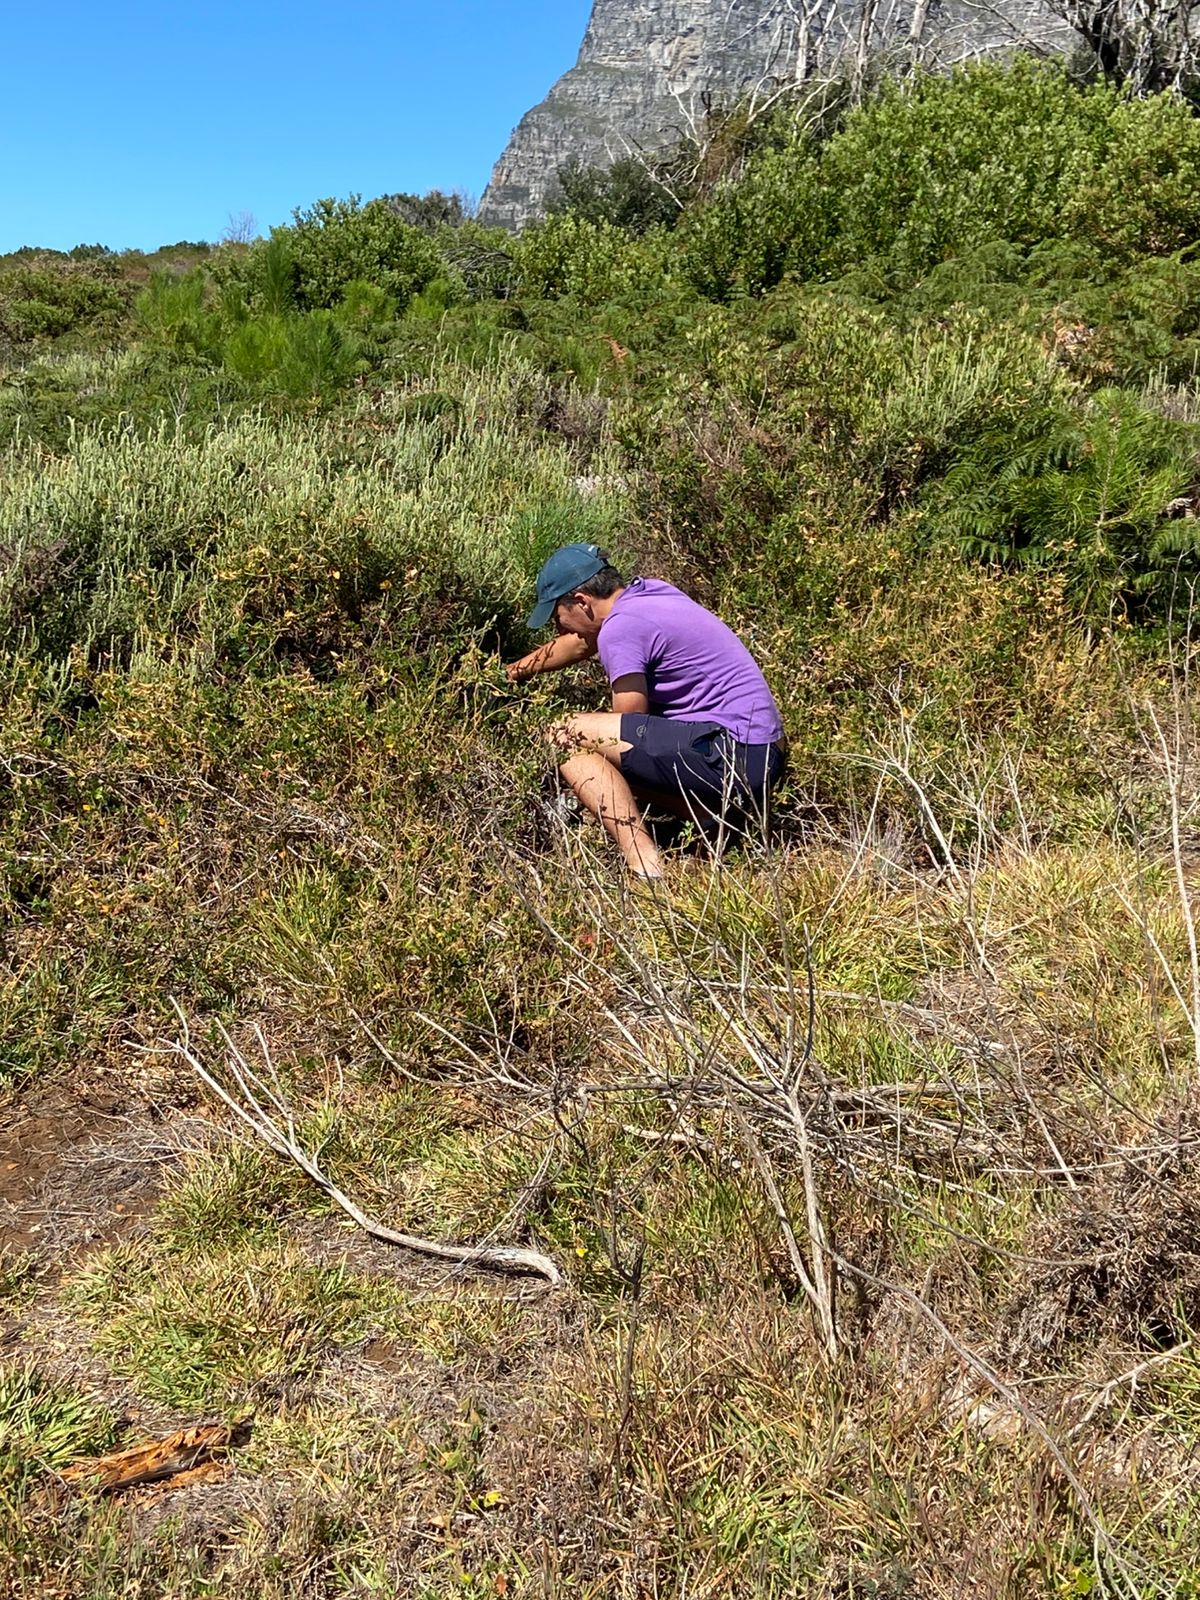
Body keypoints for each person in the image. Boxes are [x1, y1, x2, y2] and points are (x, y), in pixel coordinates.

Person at [507, 543, 787, 881]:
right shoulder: (650, 594)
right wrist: (511, 672)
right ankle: (709, 814)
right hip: (762, 755)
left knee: (565, 734)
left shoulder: (619, 629)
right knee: (603, 757)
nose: (560, 631)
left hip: (728, 754)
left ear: (581, 601)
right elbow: (582, 641)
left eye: (558, 619)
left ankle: (644, 863)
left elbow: (631, 719)